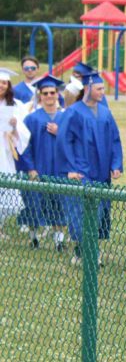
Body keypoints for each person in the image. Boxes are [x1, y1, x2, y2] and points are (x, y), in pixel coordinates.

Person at [56, 69, 122, 264]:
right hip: (81, 169)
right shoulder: (74, 111)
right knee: (80, 210)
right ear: (87, 88)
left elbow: (115, 140)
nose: (102, 92)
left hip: (101, 171)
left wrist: (116, 163)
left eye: (103, 88)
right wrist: (70, 168)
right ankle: (87, 252)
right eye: (99, 88)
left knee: (99, 210)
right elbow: (63, 140)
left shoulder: (105, 112)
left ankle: (84, 250)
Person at [19, 75, 67, 249]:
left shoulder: (65, 118)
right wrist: (30, 168)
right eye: (45, 93)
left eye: (52, 92)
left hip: (60, 170)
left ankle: (59, 241)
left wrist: (59, 132)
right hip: (38, 168)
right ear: (40, 95)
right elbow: (24, 146)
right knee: (34, 204)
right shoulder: (32, 118)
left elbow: (74, 142)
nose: (49, 96)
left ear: (57, 94)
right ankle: (33, 237)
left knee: (59, 204)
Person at [0, 69, 31, 236]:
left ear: (8, 85)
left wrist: (15, 124)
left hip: (5, 151)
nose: (1, 86)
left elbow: (24, 132)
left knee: (5, 185)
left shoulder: (15, 105)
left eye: (4, 82)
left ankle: (0, 226)